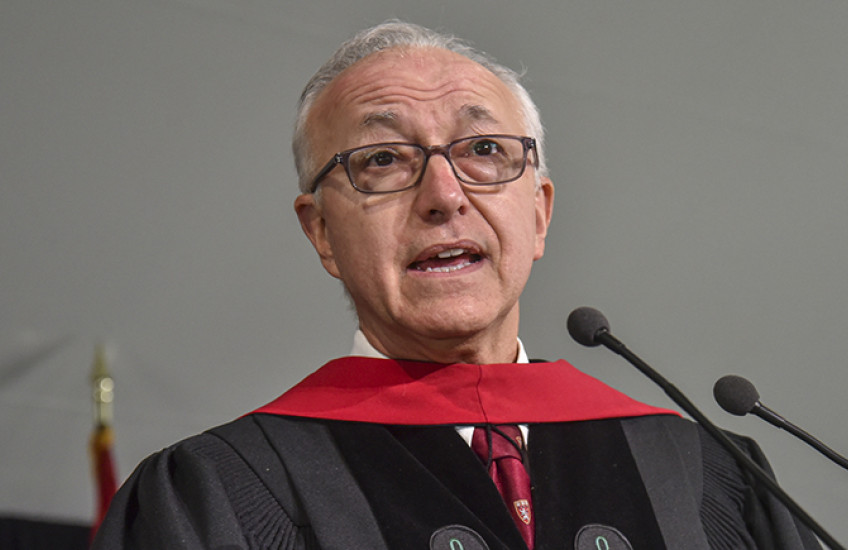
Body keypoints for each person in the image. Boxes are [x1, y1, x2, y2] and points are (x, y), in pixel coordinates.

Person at [93, 21, 821, 550]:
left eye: (483, 150)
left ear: (538, 215)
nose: (444, 194)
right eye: (382, 158)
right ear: (321, 233)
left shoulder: (702, 476)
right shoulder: (220, 490)